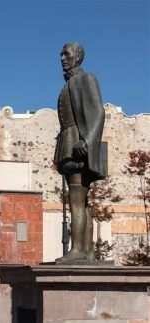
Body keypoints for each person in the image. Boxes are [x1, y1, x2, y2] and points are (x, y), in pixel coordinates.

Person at [54, 42, 106, 262]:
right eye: (61, 54)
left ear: (77, 56)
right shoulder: (68, 84)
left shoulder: (86, 79)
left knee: (77, 197)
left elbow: (99, 112)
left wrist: (87, 140)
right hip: (68, 142)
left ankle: (78, 250)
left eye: (66, 54)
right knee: (81, 200)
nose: (62, 58)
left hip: (78, 144)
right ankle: (86, 251)